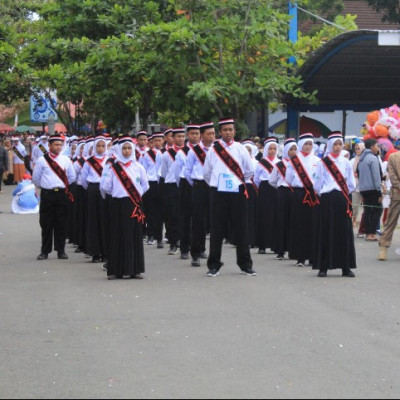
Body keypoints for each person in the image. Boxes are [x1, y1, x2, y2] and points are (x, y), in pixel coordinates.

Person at [203, 118, 256, 277]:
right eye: (224, 130)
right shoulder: (213, 149)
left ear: (234, 131)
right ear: (220, 132)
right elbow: (207, 173)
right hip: (218, 192)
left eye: (230, 130)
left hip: (237, 192)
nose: (227, 132)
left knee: (241, 228)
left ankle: (245, 264)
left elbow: (249, 170)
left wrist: (236, 182)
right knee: (216, 229)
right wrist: (217, 183)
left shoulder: (241, 149)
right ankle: (214, 264)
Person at [100, 135, 149, 280]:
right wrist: (118, 193)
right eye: (124, 149)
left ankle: (135, 269)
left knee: (134, 236)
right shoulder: (113, 167)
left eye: (129, 148)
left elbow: (145, 185)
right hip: (118, 204)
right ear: (119, 150)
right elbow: (106, 186)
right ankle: (116, 270)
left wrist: (136, 195)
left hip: (133, 204)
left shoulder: (138, 166)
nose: (127, 151)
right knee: (117, 235)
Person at [313, 132, 357, 277]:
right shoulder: (323, 162)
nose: (338, 147)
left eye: (340, 144)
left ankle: (345, 267)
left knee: (343, 231)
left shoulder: (346, 163)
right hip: (327, 199)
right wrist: (327, 194)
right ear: (330, 146)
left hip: (342, 198)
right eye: (335, 144)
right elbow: (317, 184)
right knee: (326, 230)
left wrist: (342, 194)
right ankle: (323, 266)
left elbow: (351, 183)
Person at [32, 134, 76, 260]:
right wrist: (46, 186)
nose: (58, 147)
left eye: (60, 145)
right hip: (47, 194)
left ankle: (60, 250)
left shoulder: (66, 160)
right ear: (50, 145)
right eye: (55, 144)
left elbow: (72, 177)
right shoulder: (42, 160)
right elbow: (36, 178)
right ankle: (44, 251)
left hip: (61, 194)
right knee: (46, 223)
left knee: (61, 222)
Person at [286, 133, 321, 267]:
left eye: (310, 144)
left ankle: (312, 256)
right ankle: (300, 256)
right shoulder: (294, 161)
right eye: (305, 144)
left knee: (313, 224)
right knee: (299, 224)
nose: (307, 147)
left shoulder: (317, 160)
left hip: (313, 195)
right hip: (299, 194)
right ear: (301, 145)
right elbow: (289, 179)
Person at [184, 122, 215, 267]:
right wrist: (197, 184)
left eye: (214, 133)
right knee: (197, 220)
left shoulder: (217, 149)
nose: (212, 136)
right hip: (200, 185)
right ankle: (195, 253)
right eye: (209, 134)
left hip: (214, 186)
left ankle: (207, 251)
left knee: (212, 220)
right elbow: (187, 172)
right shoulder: (194, 151)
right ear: (202, 135)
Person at [174, 125, 201, 260]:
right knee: (185, 217)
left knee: (199, 218)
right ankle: (184, 248)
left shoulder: (204, 150)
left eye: (197, 133)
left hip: (199, 184)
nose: (195, 136)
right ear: (187, 135)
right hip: (186, 184)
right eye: (192, 134)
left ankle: (199, 248)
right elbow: (177, 173)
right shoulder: (181, 152)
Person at [269, 138, 298, 260]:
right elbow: (272, 181)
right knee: (281, 221)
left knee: (294, 221)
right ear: (286, 150)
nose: (293, 152)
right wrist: (281, 187)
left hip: (294, 193)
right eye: (291, 149)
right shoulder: (279, 165)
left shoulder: (299, 164)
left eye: (295, 149)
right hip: (282, 193)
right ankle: (280, 250)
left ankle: (293, 249)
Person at [160, 128, 185, 255]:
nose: (181, 139)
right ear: (173, 138)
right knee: (172, 215)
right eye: (178, 136)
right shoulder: (166, 154)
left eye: (182, 136)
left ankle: (184, 241)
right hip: (171, 186)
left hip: (185, 185)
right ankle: (173, 243)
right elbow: (163, 172)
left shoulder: (189, 152)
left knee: (185, 215)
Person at [254, 137, 279, 254]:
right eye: (270, 149)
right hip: (264, 190)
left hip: (275, 190)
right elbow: (256, 180)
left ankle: (274, 245)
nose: (272, 151)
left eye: (274, 148)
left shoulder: (280, 163)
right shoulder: (261, 163)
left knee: (275, 217)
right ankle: (262, 245)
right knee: (263, 217)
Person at [358, 138, 383, 242]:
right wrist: (379, 191)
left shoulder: (362, 158)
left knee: (368, 211)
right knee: (377, 210)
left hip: (363, 188)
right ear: (372, 146)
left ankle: (368, 232)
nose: (377, 148)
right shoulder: (372, 158)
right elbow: (376, 176)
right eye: (376, 146)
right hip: (373, 189)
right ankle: (371, 233)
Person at [378, 148, 400, 260]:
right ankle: (383, 247)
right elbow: (392, 176)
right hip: (397, 194)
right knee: (390, 221)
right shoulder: (393, 157)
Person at [350, 141, 365, 230]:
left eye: (359, 148)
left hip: (364, 185)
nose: (357, 150)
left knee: (365, 205)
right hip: (355, 186)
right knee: (355, 205)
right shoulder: (352, 160)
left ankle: (363, 223)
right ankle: (354, 220)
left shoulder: (365, 160)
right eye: (356, 148)